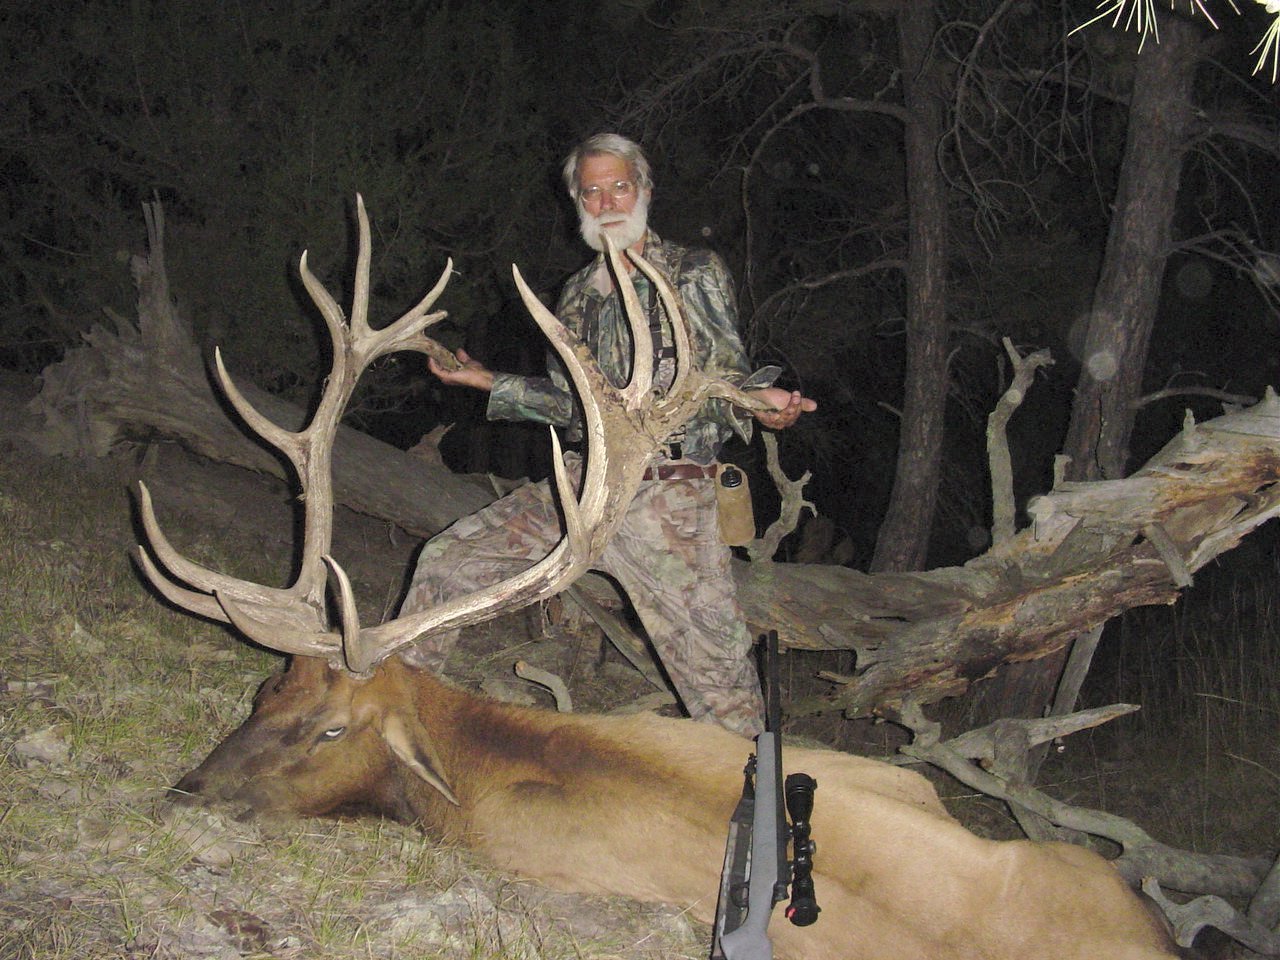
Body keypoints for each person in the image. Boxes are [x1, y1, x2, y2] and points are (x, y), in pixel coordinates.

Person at [399, 133, 816, 737]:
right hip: (582, 483)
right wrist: (487, 381)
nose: (606, 201)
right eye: (591, 192)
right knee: (446, 560)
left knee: (719, 679)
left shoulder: (694, 271)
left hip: (669, 493)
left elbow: (724, 370)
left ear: (643, 190)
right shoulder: (576, 295)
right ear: (577, 203)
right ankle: (398, 710)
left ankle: (754, 797)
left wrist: (760, 402)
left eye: (619, 186)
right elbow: (571, 404)